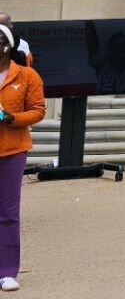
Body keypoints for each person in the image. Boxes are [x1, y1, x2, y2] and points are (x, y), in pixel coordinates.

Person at [0, 24, 44, 292]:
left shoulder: (26, 75)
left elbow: (38, 110)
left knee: (7, 213)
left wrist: (12, 118)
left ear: (6, 46)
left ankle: (6, 271)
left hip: (12, 150)